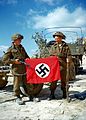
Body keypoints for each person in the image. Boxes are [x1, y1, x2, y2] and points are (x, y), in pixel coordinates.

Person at [2, 33, 39, 105]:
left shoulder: (22, 48)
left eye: (20, 39)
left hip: (24, 68)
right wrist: (14, 61)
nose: (20, 41)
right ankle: (17, 97)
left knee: (28, 83)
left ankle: (31, 96)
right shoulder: (10, 49)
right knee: (16, 84)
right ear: (14, 40)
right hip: (16, 69)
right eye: (19, 39)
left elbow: (26, 56)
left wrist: (27, 58)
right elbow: (4, 59)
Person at [48, 31, 72, 100]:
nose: (55, 38)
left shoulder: (66, 46)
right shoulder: (53, 46)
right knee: (53, 81)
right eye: (55, 36)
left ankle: (65, 94)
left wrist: (68, 59)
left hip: (63, 66)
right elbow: (50, 55)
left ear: (61, 38)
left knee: (64, 81)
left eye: (57, 36)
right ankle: (52, 94)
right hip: (55, 66)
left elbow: (69, 55)